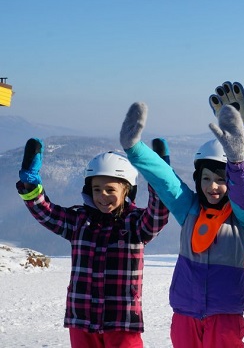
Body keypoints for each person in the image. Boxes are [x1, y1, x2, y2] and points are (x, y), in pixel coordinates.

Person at [119, 102, 244, 347]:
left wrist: (237, 162)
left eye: (221, 179)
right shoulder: (191, 210)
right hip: (185, 314)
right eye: (206, 178)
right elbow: (167, 182)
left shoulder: (243, 218)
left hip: (225, 316)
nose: (212, 186)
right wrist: (135, 149)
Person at [16, 138, 170, 348]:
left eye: (110, 190)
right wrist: (30, 185)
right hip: (82, 320)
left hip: (121, 321)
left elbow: (159, 213)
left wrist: (161, 175)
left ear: (127, 190)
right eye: (97, 189)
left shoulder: (135, 224)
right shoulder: (80, 221)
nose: (102, 196)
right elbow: (46, 212)